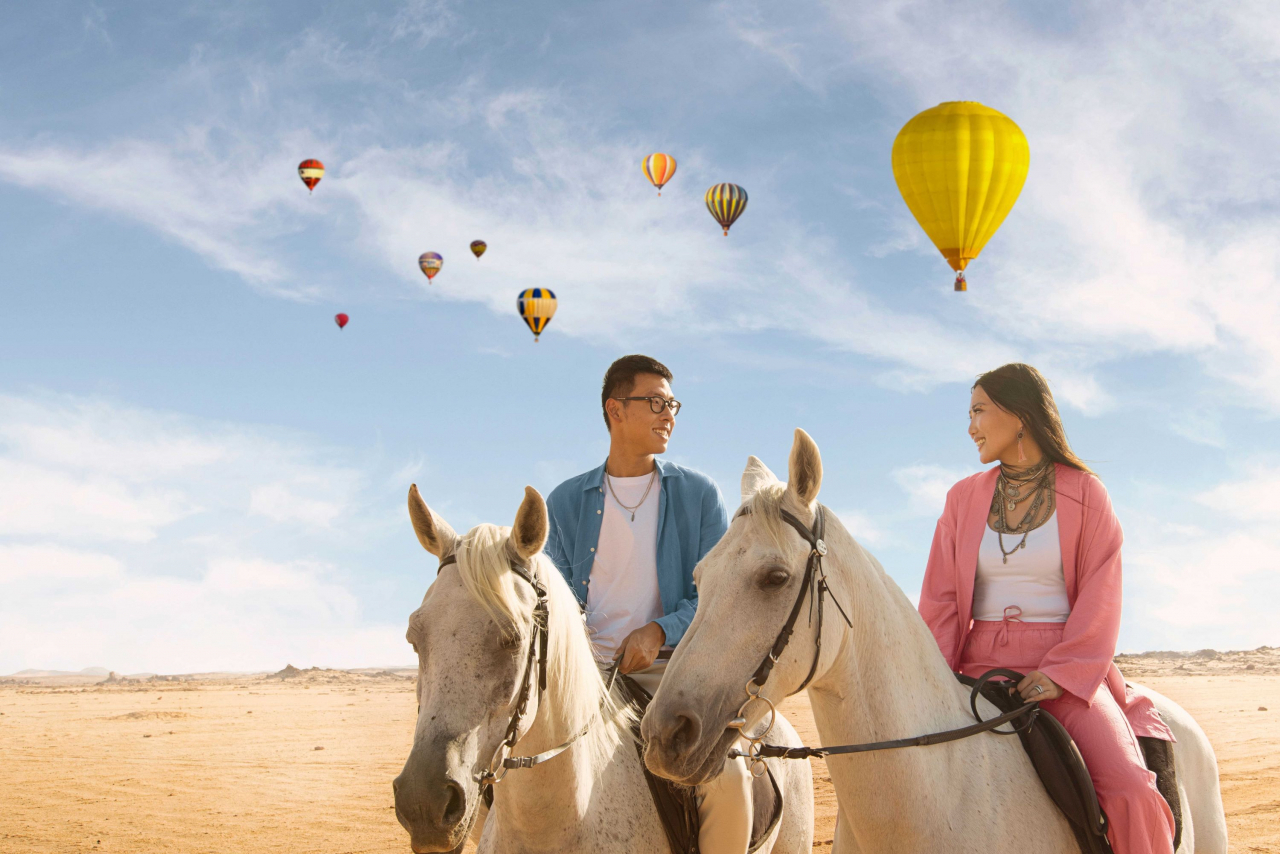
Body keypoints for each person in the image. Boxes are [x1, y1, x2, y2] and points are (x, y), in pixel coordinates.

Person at [918, 363, 1176, 854]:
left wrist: (1060, 673)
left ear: (1019, 415)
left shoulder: (1086, 493)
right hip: (975, 666)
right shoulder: (961, 499)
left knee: (1132, 790)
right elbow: (941, 602)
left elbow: (1102, 597)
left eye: (978, 411)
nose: (970, 427)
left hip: (1065, 669)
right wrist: (931, 676)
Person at [544, 354, 751, 854]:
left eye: (673, 404)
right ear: (616, 410)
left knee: (726, 779)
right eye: (656, 402)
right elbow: (553, 601)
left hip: (672, 671)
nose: (669, 414)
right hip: (586, 675)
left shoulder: (698, 494)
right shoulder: (565, 501)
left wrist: (658, 631)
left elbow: (715, 594)